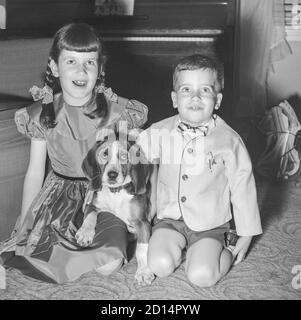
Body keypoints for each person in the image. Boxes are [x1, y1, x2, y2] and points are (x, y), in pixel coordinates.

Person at [0, 23, 148, 283]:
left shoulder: (116, 112)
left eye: (90, 62)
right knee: (36, 253)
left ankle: (105, 243)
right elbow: (35, 172)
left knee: (110, 264)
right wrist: (24, 222)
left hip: (106, 198)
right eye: (71, 61)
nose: (81, 70)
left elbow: (136, 158)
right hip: (60, 197)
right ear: (55, 67)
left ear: (100, 69)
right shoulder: (43, 114)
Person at [137, 54, 262, 287]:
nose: (195, 97)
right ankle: (185, 250)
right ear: (174, 98)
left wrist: (247, 233)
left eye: (205, 90)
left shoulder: (229, 140)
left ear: (218, 99)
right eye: (186, 89)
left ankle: (219, 250)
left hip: (210, 224)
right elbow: (132, 152)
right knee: (159, 265)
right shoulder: (160, 130)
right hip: (169, 220)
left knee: (201, 276)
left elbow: (242, 186)